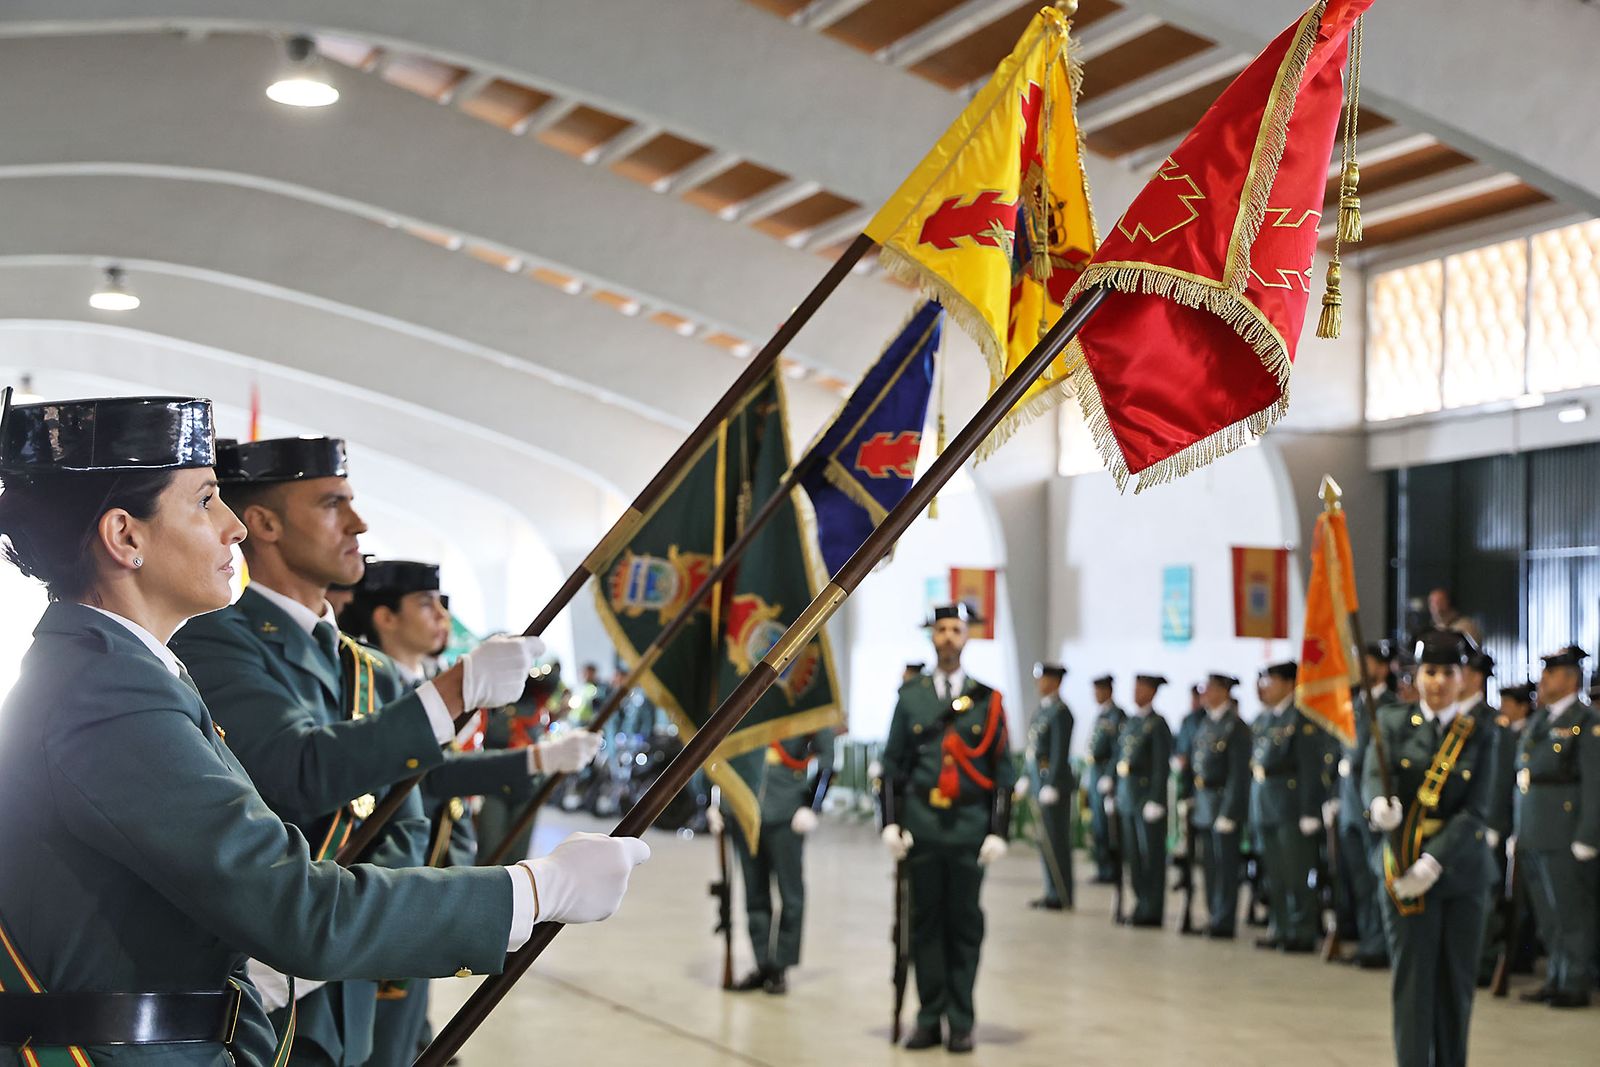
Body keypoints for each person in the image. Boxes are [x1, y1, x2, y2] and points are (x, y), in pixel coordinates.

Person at [0, 392, 648, 1066]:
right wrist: (536, 889)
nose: (234, 527)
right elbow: (292, 901)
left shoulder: (118, 670)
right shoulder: (109, 693)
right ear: (125, 536)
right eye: (204, 500)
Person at [171, 437, 603, 1065]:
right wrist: (449, 695)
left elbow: (410, 813)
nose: (359, 523)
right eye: (331, 504)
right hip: (267, 984)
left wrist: (368, 924)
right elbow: (298, 770)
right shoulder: (217, 641)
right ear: (263, 523)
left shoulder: (363, 667)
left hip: (351, 965)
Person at [879, 604, 1013, 1054]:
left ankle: (961, 1020)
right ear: (931, 637)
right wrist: (891, 822)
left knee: (965, 925)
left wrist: (999, 829)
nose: (949, 637)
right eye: (942, 629)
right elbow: (892, 764)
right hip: (923, 827)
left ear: (967, 637)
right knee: (924, 925)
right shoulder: (911, 696)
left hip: (969, 829)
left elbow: (1003, 771)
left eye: (957, 629)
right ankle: (928, 1016)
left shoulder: (989, 700)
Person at [1363, 630, 1497, 1067]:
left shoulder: (1483, 733)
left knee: (1455, 990)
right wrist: (1376, 805)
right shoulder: (1391, 723)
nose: (1438, 682)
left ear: (1465, 679)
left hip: (1460, 874)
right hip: (1403, 871)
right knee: (1413, 987)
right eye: (1430, 672)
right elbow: (1371, 775)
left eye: (1448, 672)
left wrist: (1434, 860)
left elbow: (1476, 810)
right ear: (1417, 676)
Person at [706, 728, 835, 995]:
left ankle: (780, 965)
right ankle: (762, 962)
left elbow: (828, 757)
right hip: (743, 809)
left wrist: (812, 804)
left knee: (791, 894)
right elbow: (719, 753)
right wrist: (715, 802)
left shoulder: (800, 697)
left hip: (786, 810)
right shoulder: (743, 699)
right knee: (754, 894)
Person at [1514, 644, 1599, 1009]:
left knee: (1571, 910)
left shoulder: (1586, 721)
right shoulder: (1540, 720)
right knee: (1547, 914)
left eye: (1550, 674)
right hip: (1535, 828)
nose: (1542, 680)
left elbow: (1595, 782)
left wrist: (1588, 834)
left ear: (1570, 679)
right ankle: (1556, 976)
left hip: (1565, 830)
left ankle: (1575, 980)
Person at [1249, 661, 1326, 953]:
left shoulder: (1302, 719)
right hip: (1266, 803)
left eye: (1272, 681)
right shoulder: (1266, 720)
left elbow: (1309, 768)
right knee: (1274, 874)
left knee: (1296, 873)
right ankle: (1279, 927)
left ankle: (1301, 930)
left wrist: (1309, 810)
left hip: (1291, 807)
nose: (1266, 687)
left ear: (1289, 684)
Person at [1335, 640, 1400, 970]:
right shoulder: (1355, 705)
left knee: (1378, 878)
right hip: (1349, 804)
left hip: (1371, 805)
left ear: (1384, 668)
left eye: (1369, 663)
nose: (1361, 669)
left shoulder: (1390, 707)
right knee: (1358, 881)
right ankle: (1367, 938)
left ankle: (1381, 943)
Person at [1191, 674, 1250, 939]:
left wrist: (1230, 811)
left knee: (1226, 868)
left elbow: (1239, 775)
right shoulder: (1206, 723)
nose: (1205, 694)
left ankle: (1224, 919)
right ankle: (1214, 913)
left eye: (1210, 689)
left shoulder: (1235, 727)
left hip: (1223, 803)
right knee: (1210, 867)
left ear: (1223, 692)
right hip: (1205, 803)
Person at [1115, 673, 1172, 928]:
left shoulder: (1157, 724)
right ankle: (1140, 903)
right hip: (1128, 797)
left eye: (1141, 689)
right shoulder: (1131, 722)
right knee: (1134, 858)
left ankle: (1152, 909)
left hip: (1146, 798)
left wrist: (1157, 799)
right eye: (1135, 687)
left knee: (1151, 857)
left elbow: (1161, 766)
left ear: (1152, 692)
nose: (1136, 693)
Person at [1018, 662, 1073, 911]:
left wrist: (1051, 783)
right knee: (1045, 840)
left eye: (1044, 679)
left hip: (1053, 786)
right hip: (1038, 781)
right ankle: (1051, 890)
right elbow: (1033, 749)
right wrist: (1026, 776)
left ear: (1055, 682)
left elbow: (1058, 752)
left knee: (1056, 840)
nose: (1039, 684)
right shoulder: (1042, 710)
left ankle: (1061, 893)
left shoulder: (1061, 712)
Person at [1087, 674, 1126, 884]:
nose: (1096, 695)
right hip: (1095, 776)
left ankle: (1113, 870)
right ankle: (1102, 868)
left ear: (1109, 691)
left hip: (1106, 776)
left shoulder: (1116, 715)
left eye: (1100, 690)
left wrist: (1110, 775)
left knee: (1110, 829)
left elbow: (1118, 749)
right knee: (1098, 827)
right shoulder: (1101, 715)